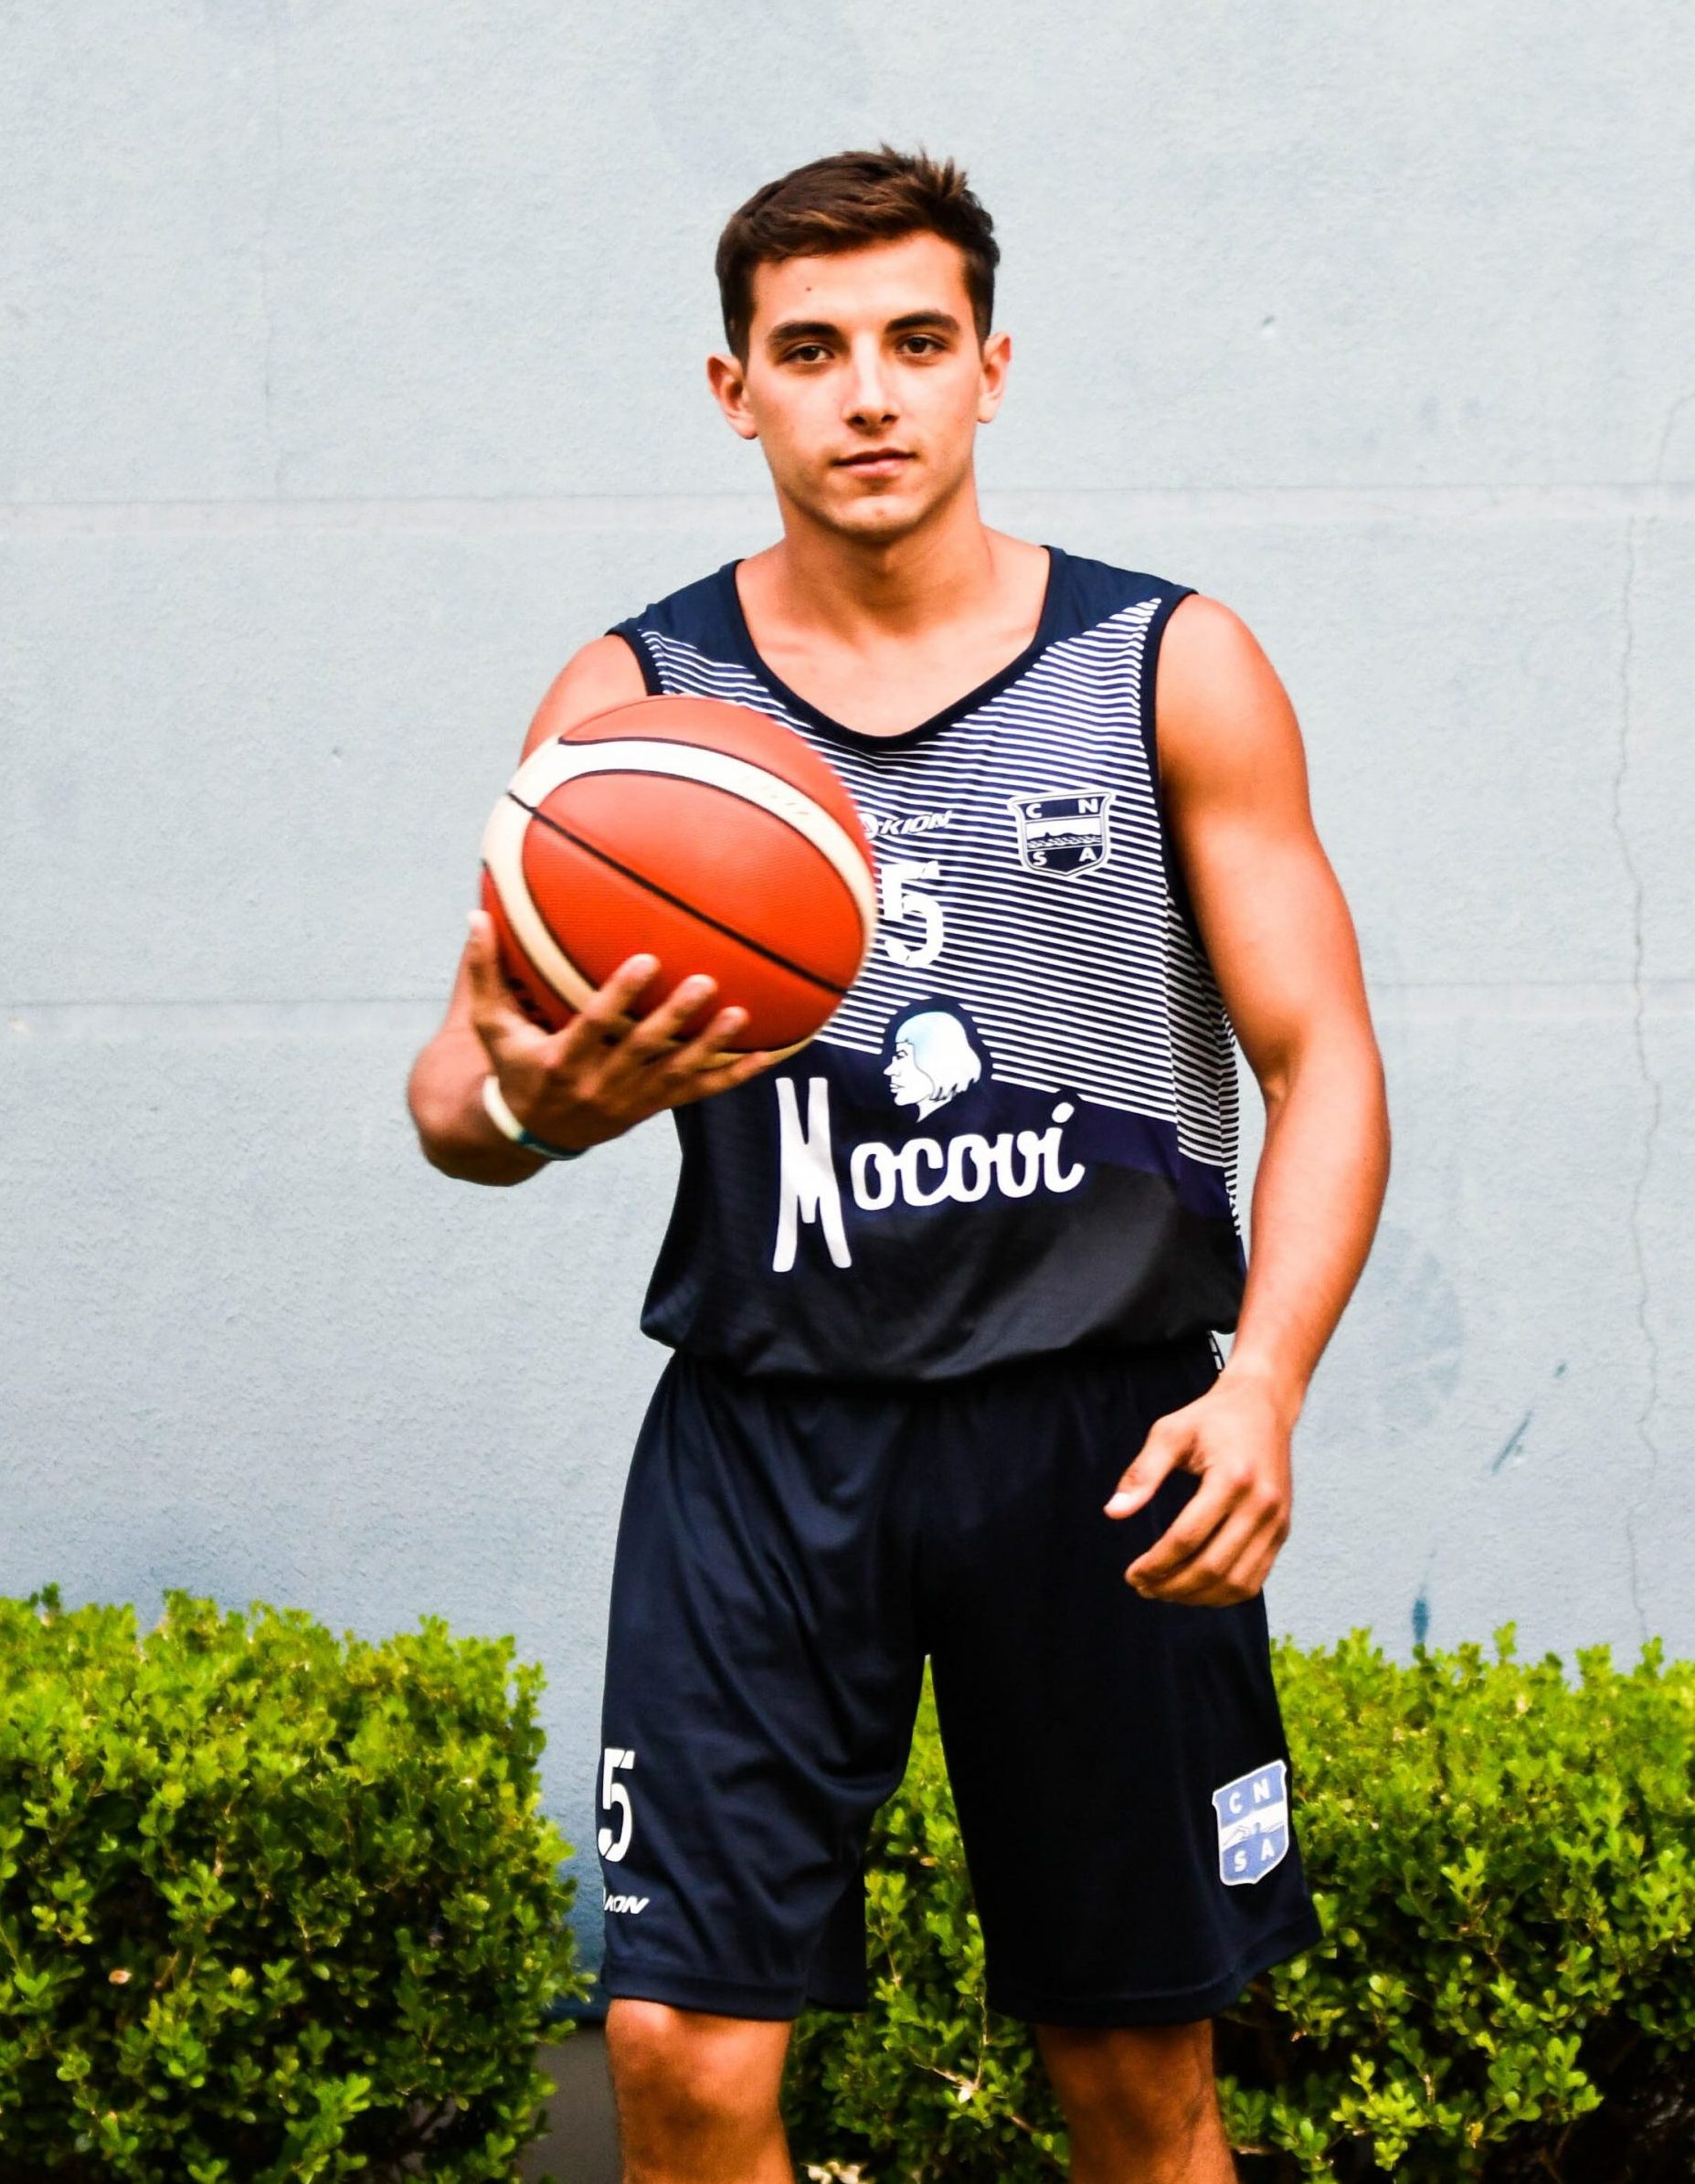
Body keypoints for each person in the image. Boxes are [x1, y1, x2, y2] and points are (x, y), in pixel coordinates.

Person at [407, 146, 1388, 2184]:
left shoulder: (1163, 663)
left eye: (916, 342)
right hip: (769, 1439)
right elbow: (453, 1097)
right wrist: (545, 1108)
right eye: (812, 350)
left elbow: (1323, 1061)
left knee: (1133, 2085)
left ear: (989, 370)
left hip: (1101, 1434)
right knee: (679, 2059)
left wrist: (1268, 1385)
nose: (868, 394)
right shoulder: (637, 710)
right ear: (732, 389)